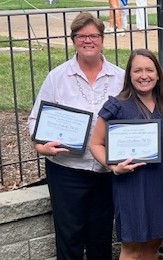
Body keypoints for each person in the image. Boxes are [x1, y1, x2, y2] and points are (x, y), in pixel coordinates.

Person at [27, 12, 125, 260]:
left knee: (101, 238)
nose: (88, 41)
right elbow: (35, 120)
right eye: (82, 36)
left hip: (105, 171)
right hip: (66, 170)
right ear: (73, 40)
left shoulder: (121, 78)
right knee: (69, 238)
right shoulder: (57, 77)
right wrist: (42, 147)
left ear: (102, 40)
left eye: (93, 35)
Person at [90, 49, 163, 259]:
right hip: (130, 186)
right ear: (129, 75)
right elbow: (96, 144)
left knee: (152, 248)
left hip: (161, 185)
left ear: (158, 75)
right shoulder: (116, 106)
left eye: (149, 70)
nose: (144, 75)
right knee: (131, 251)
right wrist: (113, 166)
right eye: (137, 70)